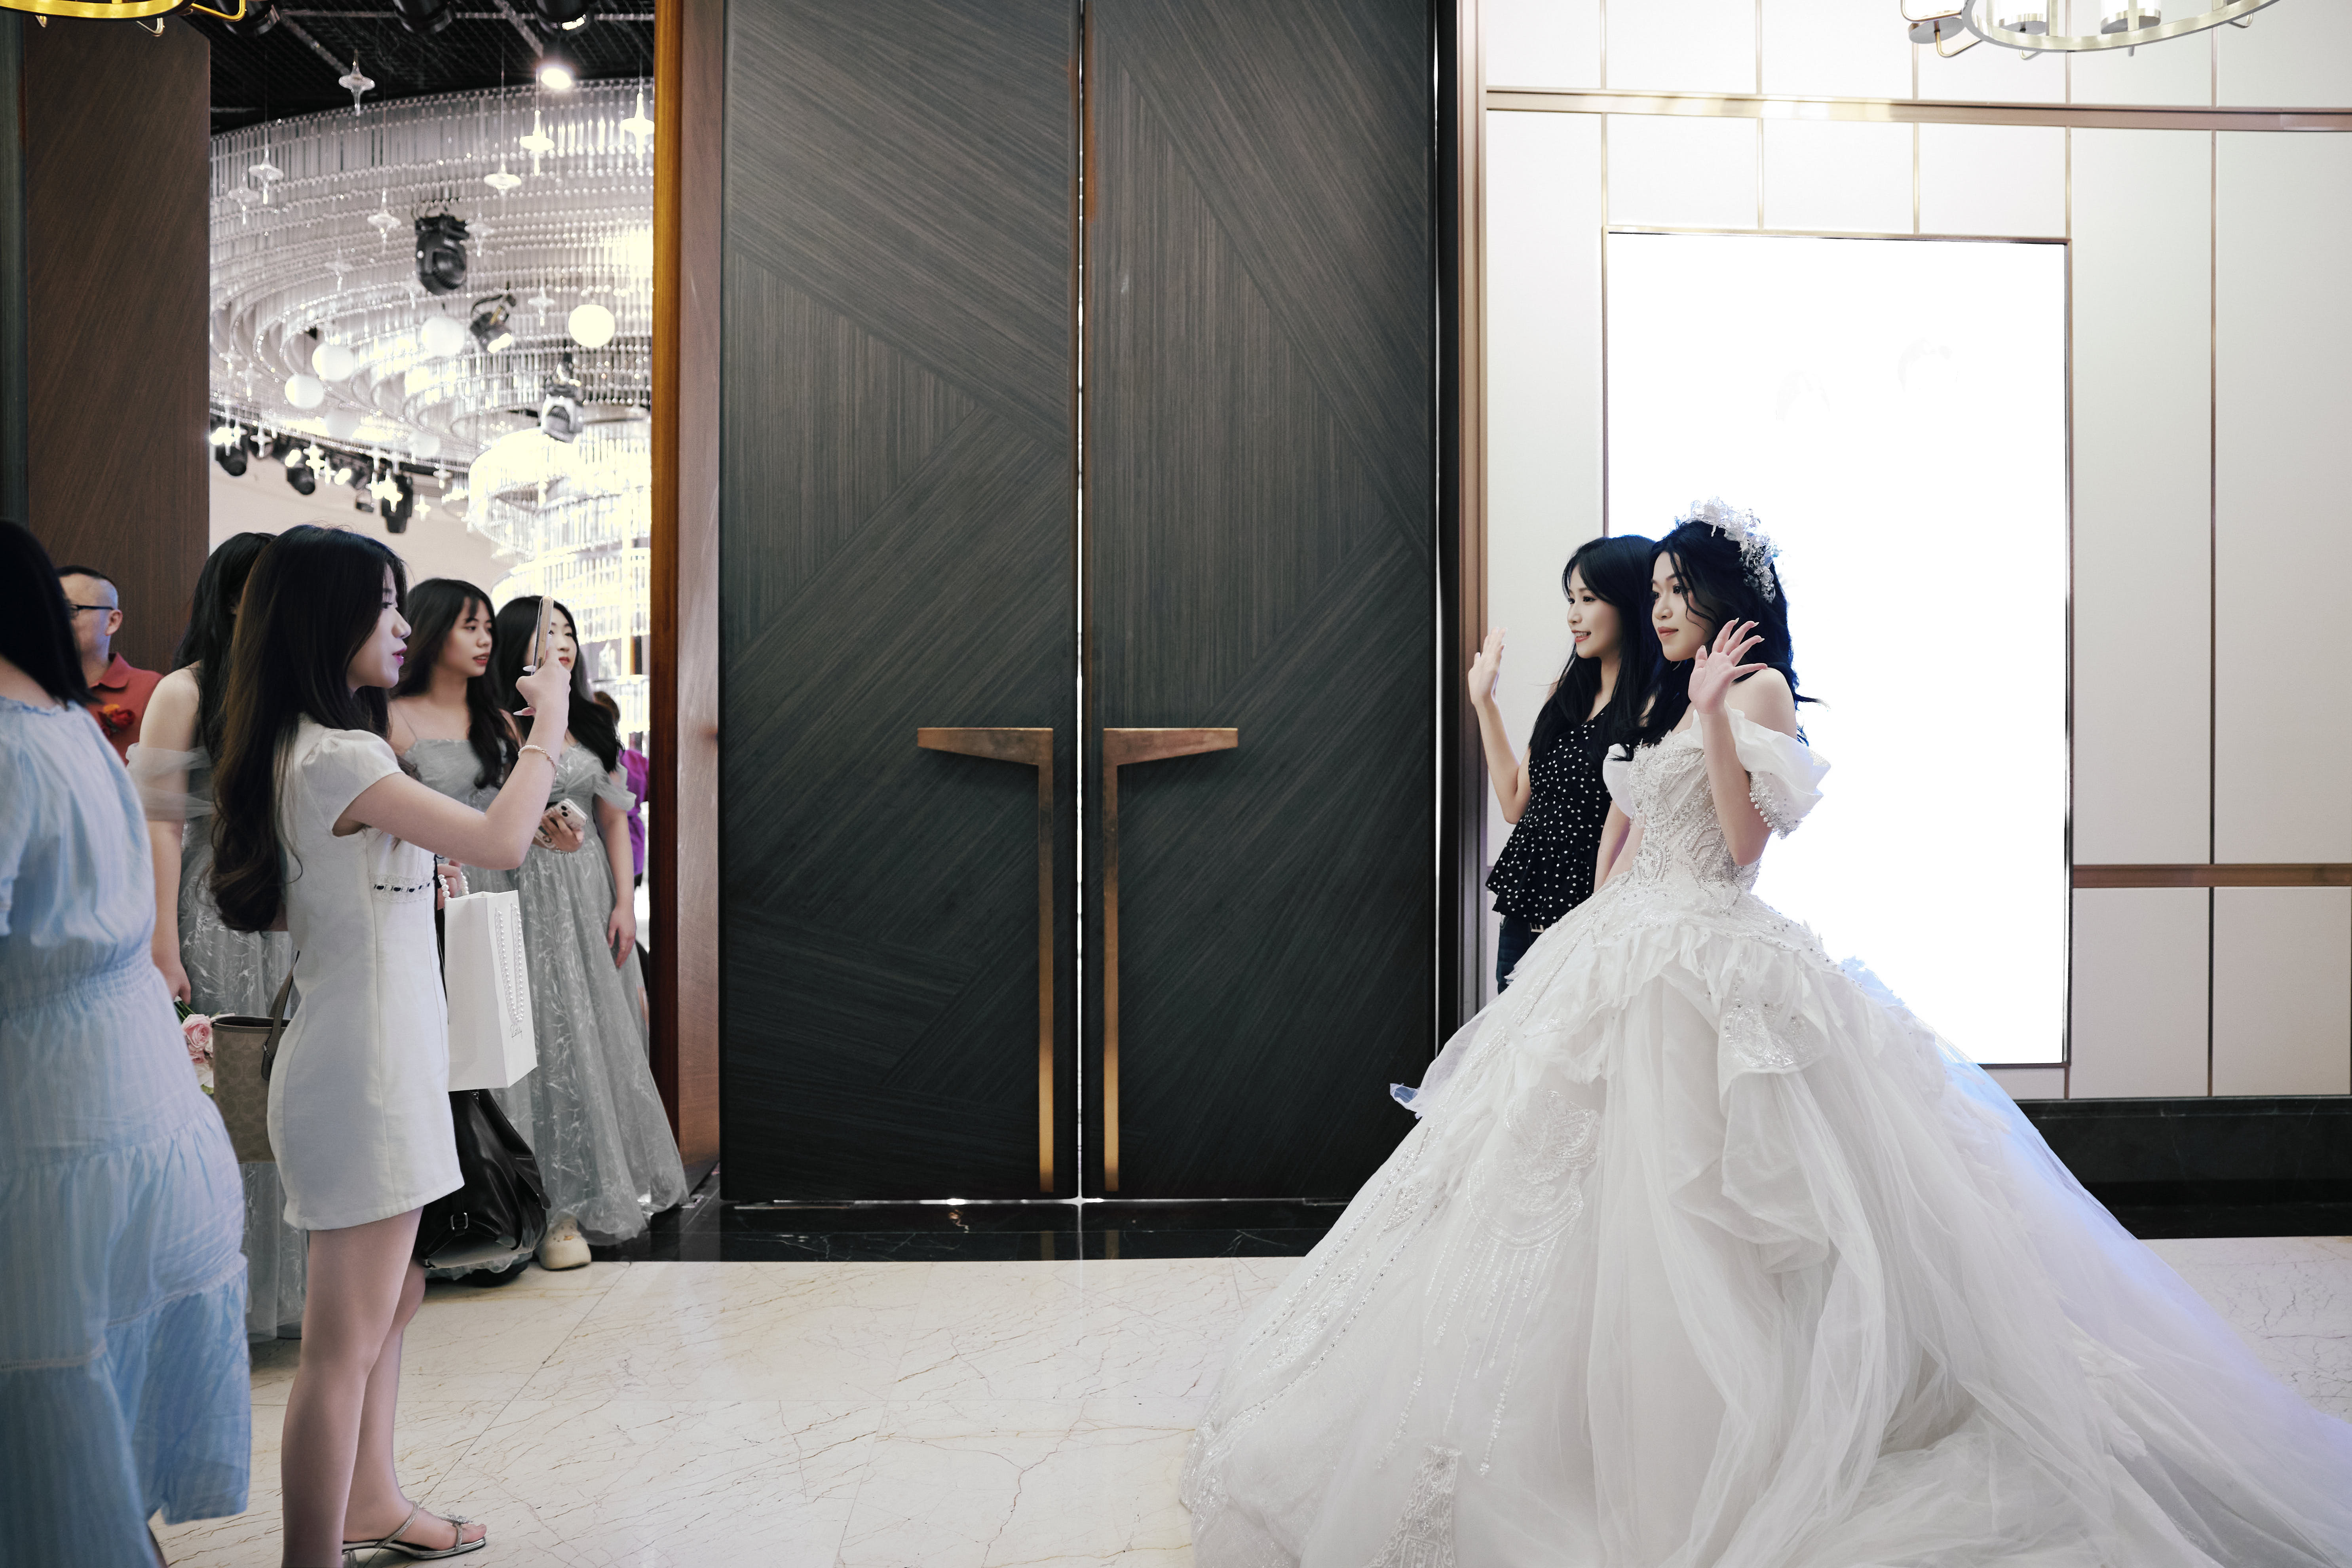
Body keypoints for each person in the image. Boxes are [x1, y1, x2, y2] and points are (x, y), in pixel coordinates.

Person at [1180, 500, 2352, 1568]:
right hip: (1620, 947)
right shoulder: (1672, 695)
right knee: (1547, 1196)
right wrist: (1583, 929)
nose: (1661, 607)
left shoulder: (1757, 692)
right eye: (1656, 592)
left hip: (1704, 955)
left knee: (1696, 1204)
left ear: (1726, 599)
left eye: (1677, 590)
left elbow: (1742, 849)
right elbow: (1635, 832)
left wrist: (1706, 719)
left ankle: (1720, 1440)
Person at [209, 525, 574, 1566]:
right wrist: (548, 722)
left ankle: (371, 1501)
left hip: (378, 1060)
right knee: (341, 1348)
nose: (399, 625)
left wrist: (415, 881)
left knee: (394, 1300)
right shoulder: (338, 755)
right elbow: (501, 839)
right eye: (380, 605)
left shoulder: (312, 749)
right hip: (363, 1075)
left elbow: (343, 899)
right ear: (325, 620)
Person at [0, 521, 251, 1568]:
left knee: (55, 1404)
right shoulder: (67, 727)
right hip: (133, 1093)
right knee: (98, 1384)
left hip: (52, 1107)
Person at [126, 531, 309, 1343]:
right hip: (216, 907)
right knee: (227, 1100)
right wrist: (163, 943)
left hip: (298, 910)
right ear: (237, 597)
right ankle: (217, 1300)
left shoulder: (299, 686)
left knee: (293, 1102)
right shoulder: (186, 690)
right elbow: (160, 828)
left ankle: (289, 1293)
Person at [484, 595, 686, 1267]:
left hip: (588, 886)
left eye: (570, 631)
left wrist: (625, 902)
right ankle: (540, 1200)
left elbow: (612, 819)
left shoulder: (592, 719)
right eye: (549, 631)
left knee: (601, 1026)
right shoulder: (495, 723)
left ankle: (602, 1186)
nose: (564, 641)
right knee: (542, 1026)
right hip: (519, 886)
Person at [1469, 534, 1659, 992]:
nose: (1573, 615)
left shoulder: (1651, 710)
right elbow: (1515, 803)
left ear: (1629, 602)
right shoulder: (1565, 694)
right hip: (1523, 917)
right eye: (1571, 599)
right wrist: (1484, 702)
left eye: (1588, 599)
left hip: (1587, 920)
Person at [55, 563, 161, 760]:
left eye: (69, 610)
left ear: (112, 621)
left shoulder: (152, 690)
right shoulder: (25, 690)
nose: (53, 620)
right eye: (46, 610)